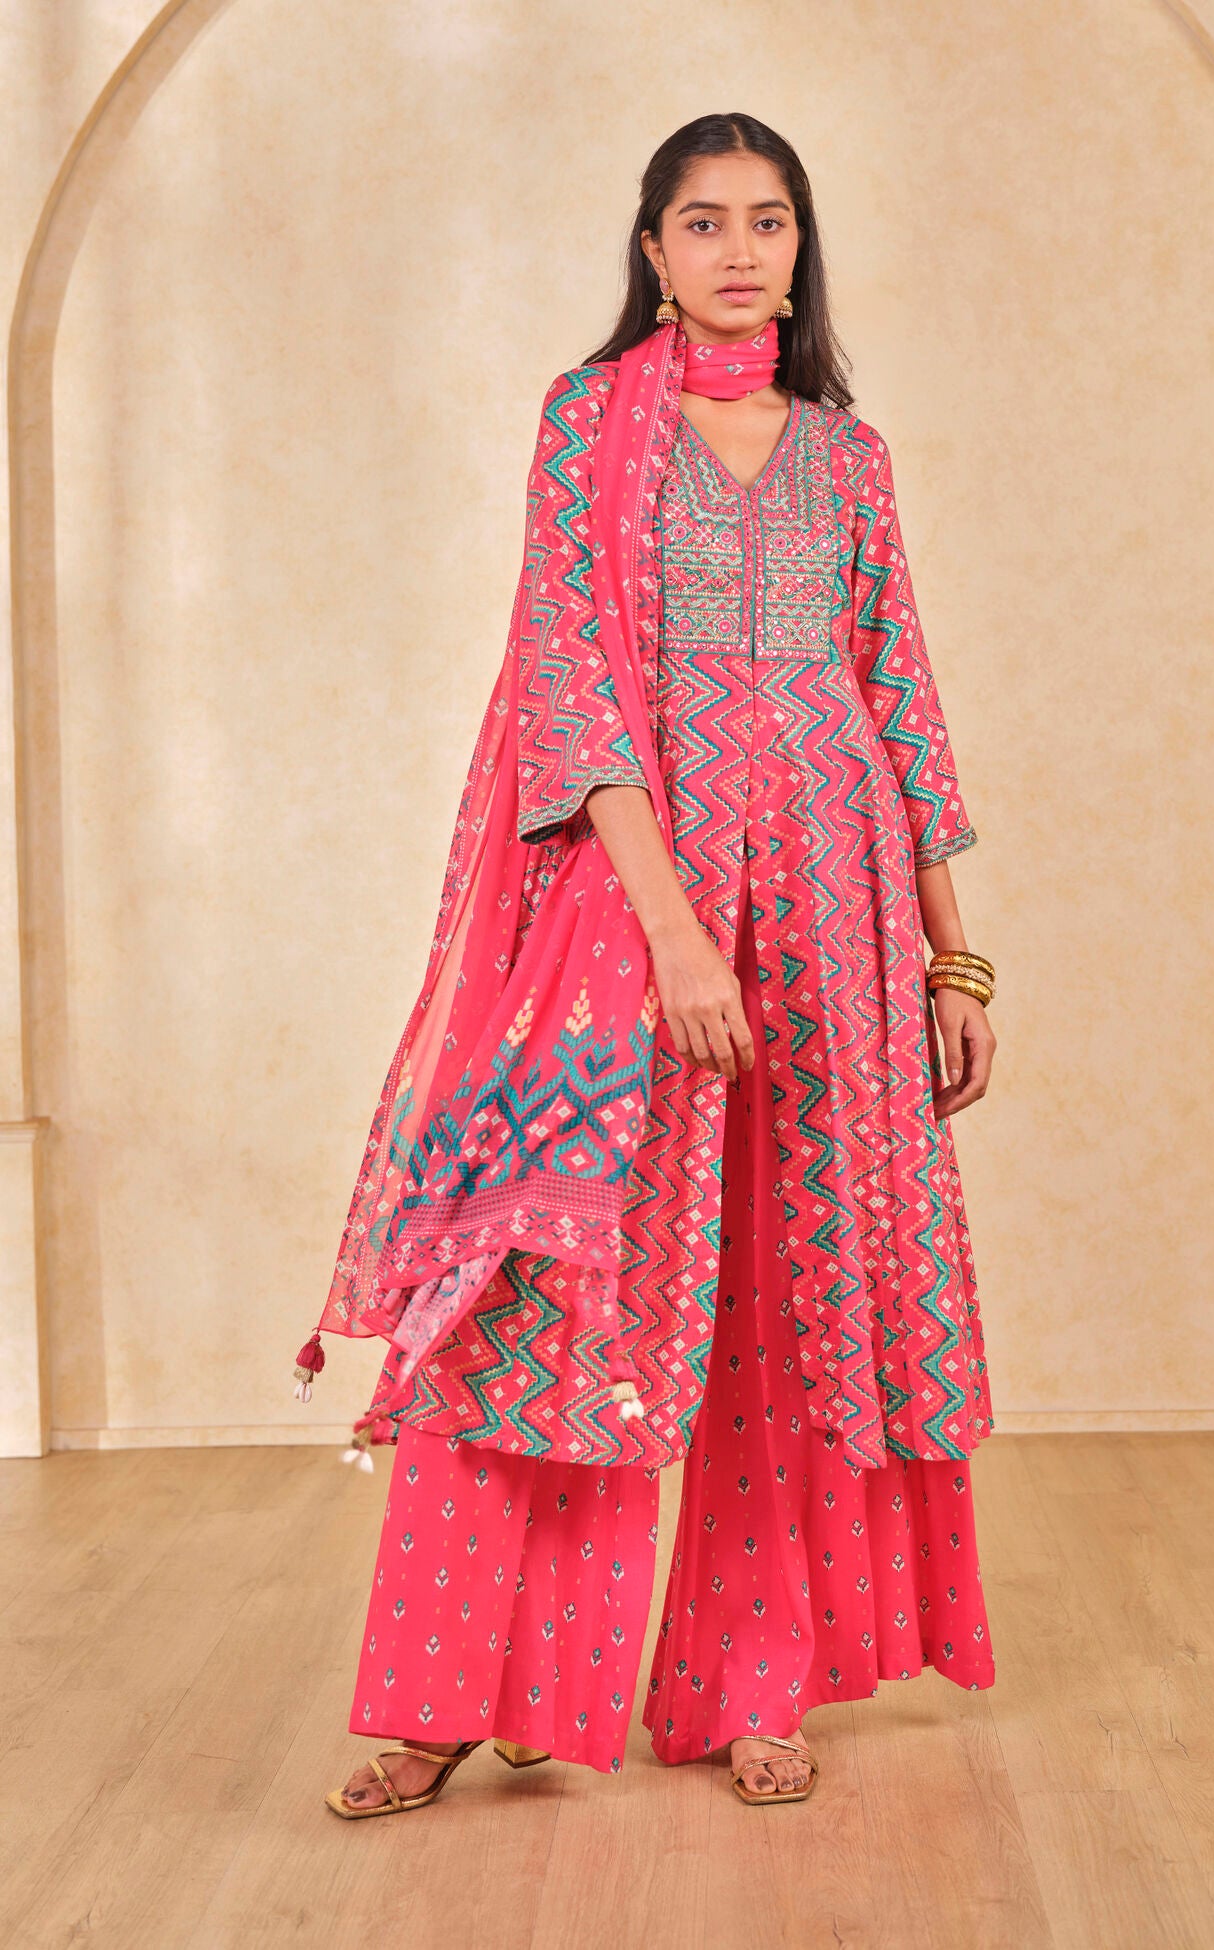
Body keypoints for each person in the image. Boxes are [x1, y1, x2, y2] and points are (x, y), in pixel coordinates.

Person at [310, 110, 998, 1819]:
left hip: (834, 908)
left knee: (790, 1294)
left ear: (799, 247)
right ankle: (455, 1693)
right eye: (704, 221)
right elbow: (574, 687)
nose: (738, 249)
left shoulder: (849, 455)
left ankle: (758, 1677)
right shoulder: (589, 424)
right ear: (652, 250)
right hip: (629, 916)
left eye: (768, 219)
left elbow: (900, 694)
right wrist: (676, 930)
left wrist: (954, 959)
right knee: (545, 1290)